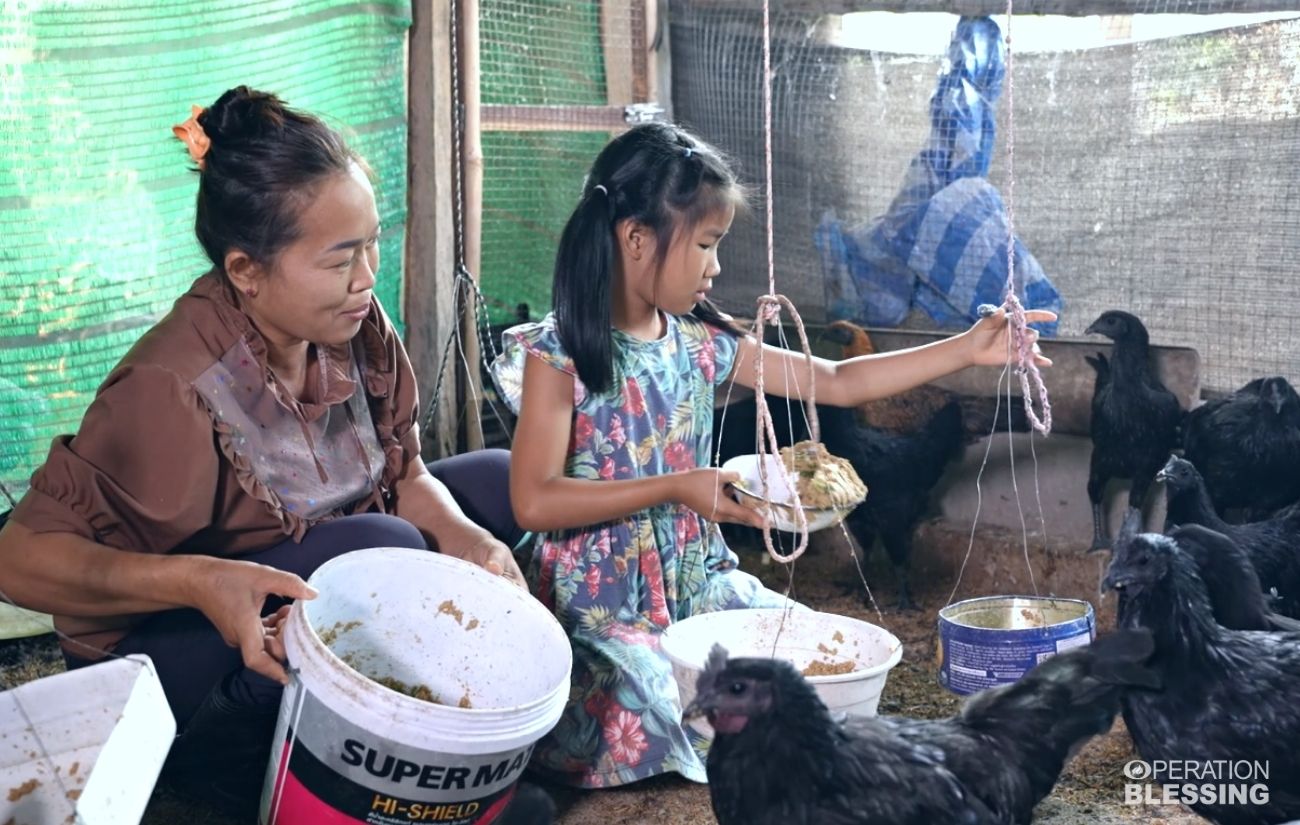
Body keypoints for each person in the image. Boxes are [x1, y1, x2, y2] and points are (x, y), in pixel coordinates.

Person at [0, 87, 526, 816]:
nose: (368, 276)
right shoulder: (172, 386)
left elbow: (404, 470)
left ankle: (434, 756)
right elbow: (18, 560)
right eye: (341, 258)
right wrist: (200, 581)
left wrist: (466, 535)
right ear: (246, 270)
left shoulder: (353, 327)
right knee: (383, 542)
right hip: (167, 656)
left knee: (499, 486)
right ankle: (245, 778)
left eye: (373, 244)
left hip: (305, 574)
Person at [491, 122, 1055, 788]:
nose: (716, 267)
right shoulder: (561, 352)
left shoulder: (699, 339)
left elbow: (838, 381)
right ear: (635, 237)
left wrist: (966, 348)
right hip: (602, 604)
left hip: (696, 583)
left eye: (717, 245)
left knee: (807, 651)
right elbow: (534, 499)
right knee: (658, 696)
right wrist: (676, 486)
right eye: (704, 245)